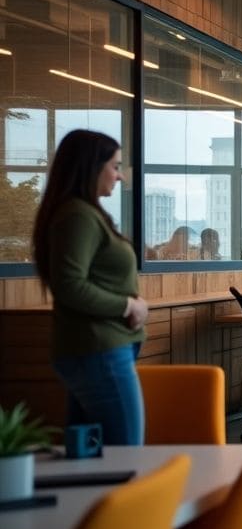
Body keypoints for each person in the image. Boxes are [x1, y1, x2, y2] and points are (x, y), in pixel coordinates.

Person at [32, 129, 148, 446]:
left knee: (92, 457)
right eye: (115, 166)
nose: (121, 176)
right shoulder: (78, 215)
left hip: (97, 349)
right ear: (90, 167)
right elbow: (69, 285)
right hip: (100, 351)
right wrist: (128, 306)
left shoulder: (82, 213)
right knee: (126, 451)